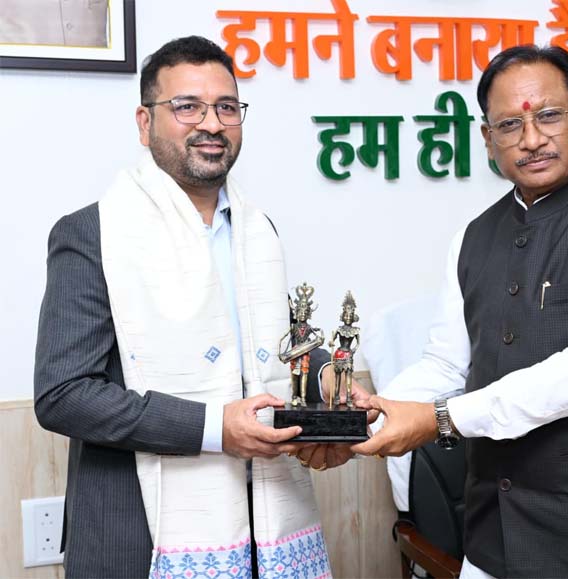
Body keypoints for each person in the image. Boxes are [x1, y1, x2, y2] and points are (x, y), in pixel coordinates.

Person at [352, 45, 568, 579]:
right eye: (510, 124)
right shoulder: (473, 238)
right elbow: (447, 365)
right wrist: (365, 416)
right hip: (494, 544)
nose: (532, 139)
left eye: (549, 115)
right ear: (487, 138)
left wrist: (441, 418)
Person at [34, 35, 357, 579]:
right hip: (139, 538)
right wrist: (214, 428)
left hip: (266, 529)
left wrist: (330, 380)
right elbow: (64, 396)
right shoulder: (94, 234)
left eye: (227, 107)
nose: (212, 123)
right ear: (145, 123)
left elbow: (275, 344)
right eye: (187, 106)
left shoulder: (256, 231)